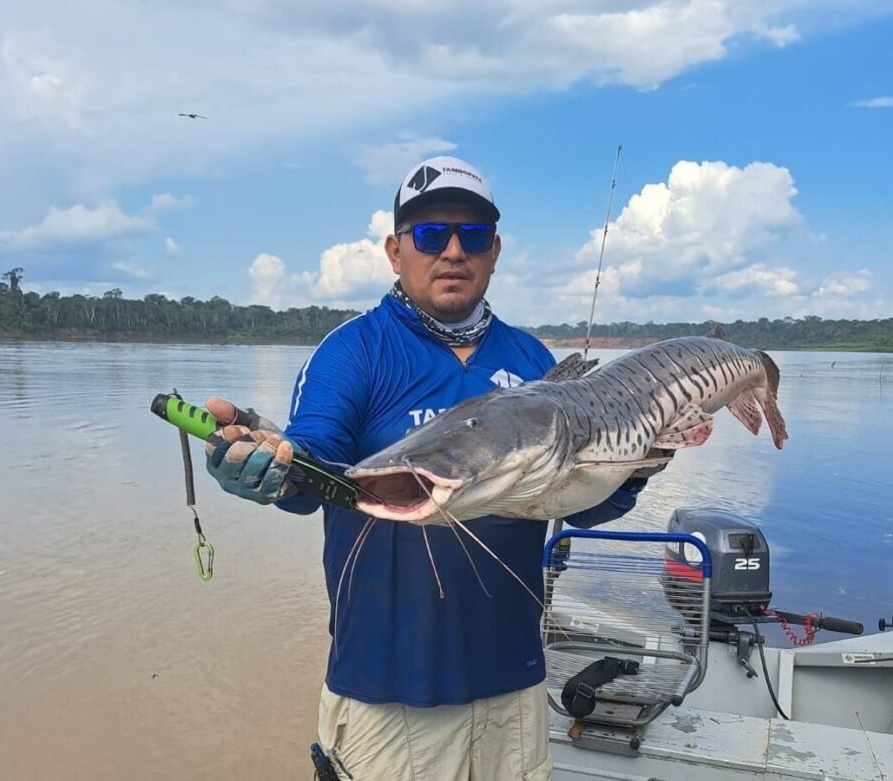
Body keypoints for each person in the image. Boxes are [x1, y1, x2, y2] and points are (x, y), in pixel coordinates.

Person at [204, 156, 657, 780]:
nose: (452, 251)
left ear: (494, 251)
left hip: (515, 688)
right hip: (390, 693)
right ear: (395, 250)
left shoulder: (534, 361)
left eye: (471, 236)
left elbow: (580, 498)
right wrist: (273, 467)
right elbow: (312, 466)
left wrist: (640, 463)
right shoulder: (354, 352)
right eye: (429, 235)